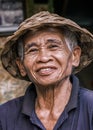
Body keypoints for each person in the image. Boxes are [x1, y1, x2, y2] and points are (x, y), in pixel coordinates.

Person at [0, 11, 93, 130]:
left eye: (53, 46)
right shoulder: (4, 116)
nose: (43, 58)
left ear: (74, 56)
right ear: (21, 66)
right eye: (33, 50)